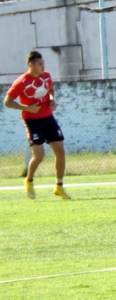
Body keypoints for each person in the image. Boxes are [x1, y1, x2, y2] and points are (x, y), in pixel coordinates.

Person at [4, 51, 70, 200]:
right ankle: (29, 180)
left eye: (43, 64)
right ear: (31, 65)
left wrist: (52, 100)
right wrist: (27, 108)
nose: (43, 67)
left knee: (60, 152)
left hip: (48, 118)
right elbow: (7, 102)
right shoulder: (21, 82)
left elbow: (50, 89)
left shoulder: (46, 76)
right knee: (39, 155)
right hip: (32, 122)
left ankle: (59, 186)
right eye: (40, 64)